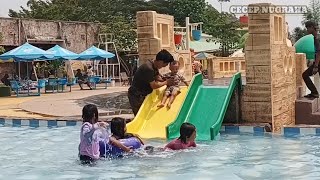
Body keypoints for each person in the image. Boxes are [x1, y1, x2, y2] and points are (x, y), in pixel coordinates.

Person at [128, 49, 175, 116]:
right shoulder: (148, 68)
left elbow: (157, 77)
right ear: (161, 61)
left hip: (142, 94)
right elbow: (154, 85)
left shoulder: (153, 65)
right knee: (140, 116)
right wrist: (166, 82)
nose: (165, 66)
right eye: (165, 64)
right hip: (136, 96)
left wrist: (164, 79)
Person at [302, 21, 320, 99]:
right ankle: (314, 93)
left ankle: (314, 93)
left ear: (312, 27)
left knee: (305, 75)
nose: (307, 30)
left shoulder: (317, 38)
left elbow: (319, 52)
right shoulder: (315, 37)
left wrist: (316, 66)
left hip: (319, 63)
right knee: (305, 75)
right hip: (318, 62)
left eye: (308, 28)